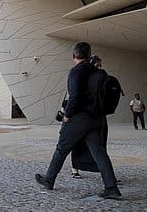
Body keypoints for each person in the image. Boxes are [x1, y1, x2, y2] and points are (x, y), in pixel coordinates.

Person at [35, 42, 121, 199]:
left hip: (79, 118)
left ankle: (49, 180)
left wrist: (67, 115)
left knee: (61, 148)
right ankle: (111, 187)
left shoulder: (76, 71)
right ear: (89, 55)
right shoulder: (96, 70)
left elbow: (74, 96)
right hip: (97, 118)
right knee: (99, 152)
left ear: (73, 56)